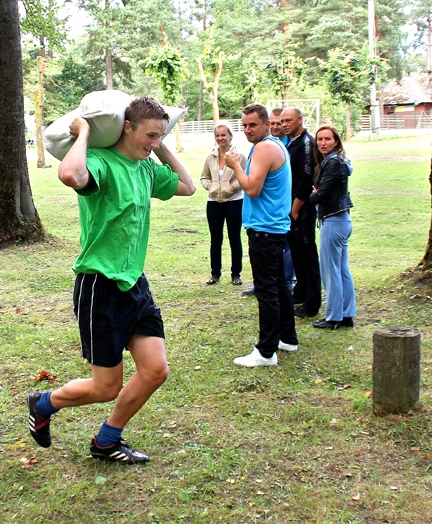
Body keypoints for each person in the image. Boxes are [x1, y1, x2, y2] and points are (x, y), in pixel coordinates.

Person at [27, 97, 195, 463]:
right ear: (126, 127)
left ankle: (106, 440)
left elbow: (187, 185)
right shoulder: (102, 162)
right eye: (148, 134)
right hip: (99, 287)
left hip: (135, 284)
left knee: (155, 370)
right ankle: (43, 403)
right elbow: (72, 175)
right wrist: (84, 130)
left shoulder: (146, 169)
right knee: (106, 387)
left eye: (160, 136)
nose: (153, 143)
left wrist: (159, 144)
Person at [224, 103, 298, 367]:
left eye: (253, 124)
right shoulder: (269, 146)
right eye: (244, 125)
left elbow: (252, 188)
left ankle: (266, 352)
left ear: (267, 124)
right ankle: (287, 338)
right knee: (279, 286)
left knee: (267, 290)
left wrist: (234, 164)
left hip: (266, 229)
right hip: (273, 227)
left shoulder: (266, 147)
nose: (247, 130)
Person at [309, 126, 356, 329]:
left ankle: (334, 317)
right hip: (341, 219)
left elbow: (322, 193)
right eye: (320, 139)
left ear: (336, 141)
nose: (323, 143)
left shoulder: (333, 162)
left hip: (334, 219)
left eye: (327, 139)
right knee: (341, 269)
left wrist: (312, 195)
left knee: (331, 271)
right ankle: (346, 314)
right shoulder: (337, 160)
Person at [282, 107, 321, 319]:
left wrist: (295, 209)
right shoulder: (290, 143)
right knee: (296, 252)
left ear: (299, 120)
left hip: (301, 208)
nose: (285, 124)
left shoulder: (307, 143)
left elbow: (307, 179)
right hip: (290, 208)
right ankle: (301, 292)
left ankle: (312, 301)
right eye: (282, 121)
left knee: (307, 254)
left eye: (289, 120)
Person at [200, 122, 247, 286]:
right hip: (213, 202)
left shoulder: (239, 155)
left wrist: (232, 187)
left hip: (234, 201)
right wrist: (211, 187)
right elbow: (203, 177)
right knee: (216, 239)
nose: (220, 138)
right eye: (217, 135)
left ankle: (236, 274)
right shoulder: (210, 156)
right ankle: (215, 274)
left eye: (223, 135)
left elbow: (246, 176)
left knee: (235, 238)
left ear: (230, 136)